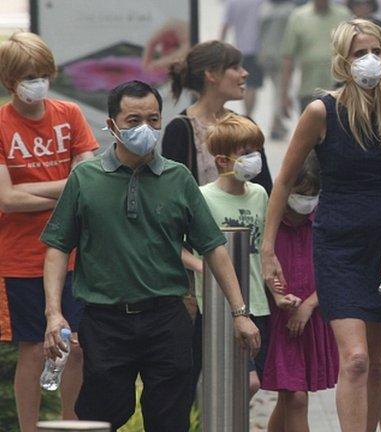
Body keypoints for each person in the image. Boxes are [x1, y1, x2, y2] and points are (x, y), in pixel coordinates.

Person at [41, 80, 260, 432]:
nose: (145, 128)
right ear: (111, 125)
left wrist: (239, 312)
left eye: (153, 119)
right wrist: (54, 314)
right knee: (103, 415)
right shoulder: (85, 178)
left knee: (169, 419)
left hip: (167, 318)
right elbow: (57, 247)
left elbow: (213, 247)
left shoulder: (178, 178)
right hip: (105, 320)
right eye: (133, 120)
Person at [261, 19, 381, 431]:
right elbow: (283, 179)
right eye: (360, 53)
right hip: (338, 243)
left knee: (378, 361)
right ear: (343, 60)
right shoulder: (322, 111)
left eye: (376, 51)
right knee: (355, 359)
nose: (370, 61)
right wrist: (268, 249)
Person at [0, 32, 99, 432]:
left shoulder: (70, 114)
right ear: (9, 80)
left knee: (77, 349)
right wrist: (65, 190)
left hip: (77, 254)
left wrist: (30, 190)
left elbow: (87, 180)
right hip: (21, 257)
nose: (37, 82)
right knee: (33, 350)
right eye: (28, 75)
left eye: (43, 74)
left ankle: (69, 425)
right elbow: (6, 200)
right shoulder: (2, 124)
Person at [190, 113, 273, 397]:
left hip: (258, 303)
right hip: (217, 305)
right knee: (241, 382)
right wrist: (203, 267)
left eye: (257, 150)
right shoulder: (201, 197)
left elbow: (263, 247)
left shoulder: (260, 194)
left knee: (247, 383)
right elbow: (176, 246)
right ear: (222, 160)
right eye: (246, 153)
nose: (255, 158)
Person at [262, 152, 339, 432]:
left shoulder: (322, 221)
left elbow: (336, 270)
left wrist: (308, 306)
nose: (306, 200)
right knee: (294, 396)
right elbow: (258, 267)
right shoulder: (269, 224)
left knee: (289, 397)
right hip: (279, 320)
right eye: (299, 193)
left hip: (311, 317)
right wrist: (278, 296)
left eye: (312, 194)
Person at [164, 40, 273, 192]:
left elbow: (265, 188)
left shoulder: (246, 125)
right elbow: (173, 192)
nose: (245, 73)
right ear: (211, 75)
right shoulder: (180, 128)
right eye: (235, 68)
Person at [279, 0, 351, 116]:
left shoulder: (344, 15)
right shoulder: (299, 16)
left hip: (340, 90)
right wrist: (284, 95)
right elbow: (288, 57)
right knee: (310, 131)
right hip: (309, 91)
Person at [258, 0, 297, 140]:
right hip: (283, 56)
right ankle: (276, 124)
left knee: (277, 90)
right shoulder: (290, 11)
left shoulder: (265, 9)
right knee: (281, 90)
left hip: (267, 54)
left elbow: (260, 33)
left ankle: (278, 123)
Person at [220, 0, 266, 117]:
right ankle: (249, 114)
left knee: (243, 82)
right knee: (252, 85)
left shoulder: (232, 2)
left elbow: (225, 25)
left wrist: (219, 48)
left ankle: (247, 114)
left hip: (239, 49)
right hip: (257, 49)